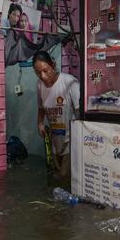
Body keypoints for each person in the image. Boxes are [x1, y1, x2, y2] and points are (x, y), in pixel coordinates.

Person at [34, 50, 79, 184]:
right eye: (38, 72)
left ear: (53, 65)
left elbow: (79, 112)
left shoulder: (70, 83)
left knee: (66, 176)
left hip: (71, 139)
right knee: (58, 176)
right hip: (54, 138)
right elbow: (41, 107)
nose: (42, 76)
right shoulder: (39, 85)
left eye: (45, 70)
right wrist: (40, 123)